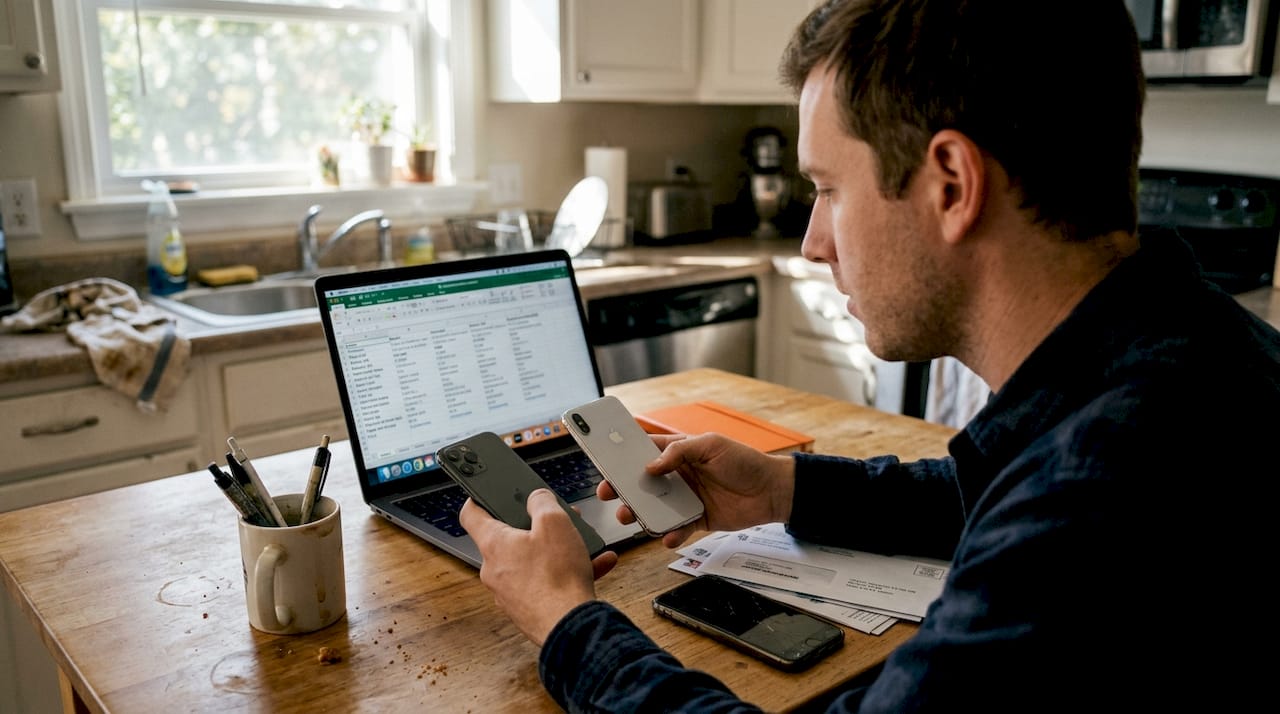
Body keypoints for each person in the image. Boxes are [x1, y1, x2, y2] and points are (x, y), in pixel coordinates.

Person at [458, 1, 1280, 710]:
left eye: (829, 188)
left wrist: (568, 622)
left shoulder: (1102, 498)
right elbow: (988, 491)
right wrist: (787, 487)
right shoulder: (1185, 352)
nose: (814, 243)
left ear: (952, 185)